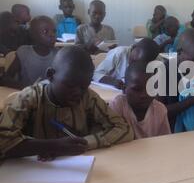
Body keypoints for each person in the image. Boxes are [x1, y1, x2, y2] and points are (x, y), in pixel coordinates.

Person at [0, 46, 134, 159]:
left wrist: (85, 143)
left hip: (76, 165)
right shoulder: (29, 98)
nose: (78, 92)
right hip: (33, 169)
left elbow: (124, 129)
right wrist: (53, 146)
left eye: (84, 86)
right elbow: (3, 140)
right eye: (70, 85)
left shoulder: (87, 97)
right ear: (51, 75)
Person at [109, 61, 171, 140]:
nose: (144, 95)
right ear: (124, 89)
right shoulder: (117, 106)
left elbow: (164, 141)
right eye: (137, 89)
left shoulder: (160, 110)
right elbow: (111, 138)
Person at [1, 16, 58, 89]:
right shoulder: (24, 52)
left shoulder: (59, 54)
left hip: (49, 97)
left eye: (54, 31)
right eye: (45, 32)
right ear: (33, 35)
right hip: (27, 96)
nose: (52, 35)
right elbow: (6, 79)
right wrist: (29, 89)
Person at [93, 38, 160, 89]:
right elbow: (96, 74)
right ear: (133, 47)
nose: (135, 66)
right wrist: (113, 81)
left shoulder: (156, 62)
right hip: (112, 93)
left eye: (140, 64)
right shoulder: (119, 53)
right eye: (134, 61)